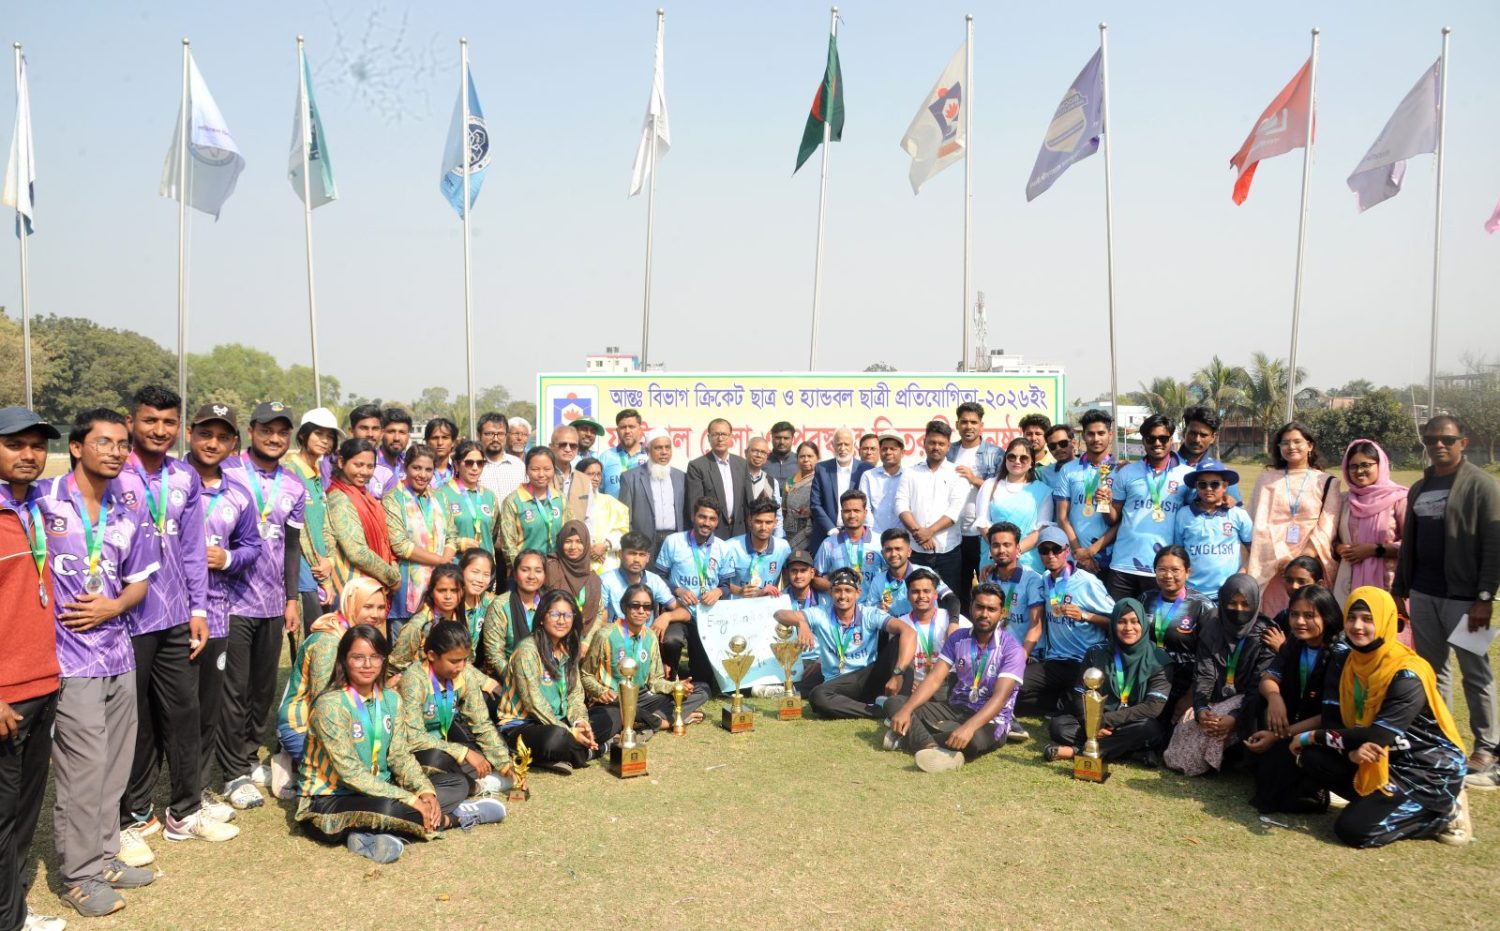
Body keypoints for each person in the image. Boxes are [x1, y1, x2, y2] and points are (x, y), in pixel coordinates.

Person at [38, 408, 160, 917]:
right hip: (68, 660)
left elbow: (140, 581)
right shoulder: (42, 501)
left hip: (117, 653)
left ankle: (106, 857)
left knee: (113, 766)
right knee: (82, 772)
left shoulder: (127, 507)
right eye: (104, 442)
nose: (116, 451)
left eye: (121, 444)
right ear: (76, 446)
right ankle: (79, 876)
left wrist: (114, 606)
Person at [118, 387, 231, 851]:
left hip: (175, 616)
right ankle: (131, 816)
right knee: (135, 721)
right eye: (150, 421)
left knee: (185, 712)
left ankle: (184, 812)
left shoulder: (183, 476)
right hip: (126, 619)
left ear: (178, 427)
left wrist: (198, 609)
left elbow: (192, 550)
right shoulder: (114, 470)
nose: (159, 430)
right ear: (131, 422)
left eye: (168, 422)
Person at [296, 625, 504, 865]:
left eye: (375, 656)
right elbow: (350, 774)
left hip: (380, 788)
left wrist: (424, 792)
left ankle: (365, 836)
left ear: (384, 659)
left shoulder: (391, 699)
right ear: (344, 659)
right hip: (328, 800)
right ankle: (454, 819)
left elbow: (400, 756)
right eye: (358, 657)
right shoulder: (330, 705)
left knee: (456, 784)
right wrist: (410, 799)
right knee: (389, 808)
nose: (367, 664)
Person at [1293, 587, 1470, 848]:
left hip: (1421, 768)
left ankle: (1444, 811)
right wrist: (1349, 754)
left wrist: (1310, 736)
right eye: (1352, 618)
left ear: (1386, 621)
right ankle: (1379, 804)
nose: (1357, 626)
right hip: (1376, 756)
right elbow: (1332, 718)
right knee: (1312, 758)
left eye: (1368, 619)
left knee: (1353, 830)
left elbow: (1378, 735)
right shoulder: (1344, 659)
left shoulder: (1407, 674)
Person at [1391, 415, 1500, 785]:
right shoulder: (1420, 486)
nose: (1438, 445)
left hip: (1465, 598)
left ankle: (1486, 747)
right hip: (1424, 594)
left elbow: (1493, 545)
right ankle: (1445, 740)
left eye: (1447, 439)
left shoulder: (1482, 485)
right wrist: (1401, 588)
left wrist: (1484, 597)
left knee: (1476, 671)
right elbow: (1409, 543)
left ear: (1462, 443)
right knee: (1433, 672)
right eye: (1431, 439)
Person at [217, 403, 307, 815]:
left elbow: (292, 547)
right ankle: (233, 769)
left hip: (272, 602)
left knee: (262, 688)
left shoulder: (294, 485)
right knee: (233, 688)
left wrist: (291, 598)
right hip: (230, 599)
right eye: (267, 430)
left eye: (282, 432)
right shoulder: (227, 472)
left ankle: (250, 754)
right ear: (251, 431)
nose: (274, 438)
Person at [0, 408, 66, 931]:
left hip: (44, 679)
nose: (29, 455)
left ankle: (13, 904)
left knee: (25, 809)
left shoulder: (38, 507)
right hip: (6, 693)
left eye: (37, 446)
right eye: (14, 444)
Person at [186, 406, 265, 806]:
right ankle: (143, 804)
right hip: (165, 614)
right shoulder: (169, 483)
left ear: (234, 443)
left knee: (207, 708)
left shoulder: (238, 494)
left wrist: (228, 559)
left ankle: (198, 791)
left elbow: (253, 545)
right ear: (190, 433)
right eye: (205, 433)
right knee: (161, 711)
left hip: (216, 614)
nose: (212, 443)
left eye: (222, 437)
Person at [884, 583, 1026, 772]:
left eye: (991, 609)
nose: (984, 614)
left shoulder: (1013, 649)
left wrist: (969, 728)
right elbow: (934, 679)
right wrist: (907, 710)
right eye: (979, 607)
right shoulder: (957, 638)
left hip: (992, 720)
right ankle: (932, 747)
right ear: (971, 607)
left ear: (1002, 613)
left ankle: (907, 739)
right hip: (955, 708)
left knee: (973, 740)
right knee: (895, 703)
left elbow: (1000, 699)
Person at [1243, 584, 1344, 813]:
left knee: (1275, 794)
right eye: (1294, 614)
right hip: (1293, 722)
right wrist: (1274, 698)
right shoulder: (1295, 643)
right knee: (1258, 700)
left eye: (1309, 616)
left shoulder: (1340, 653)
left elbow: (1329, 716)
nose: (1299, 622)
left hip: (1322, 729)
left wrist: (1278, 735)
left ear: (1327, 617)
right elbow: (1268, 678)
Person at [275, 578, 388, 782]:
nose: (376, 614)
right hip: (303, 725)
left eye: (381, 607)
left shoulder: (357, 634)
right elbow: (323, 704)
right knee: (352, 775)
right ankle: (289, 757)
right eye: (368, 606)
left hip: (345, 717)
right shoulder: (328, 641)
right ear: (351, 603)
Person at [1164, 574, 1275, 777]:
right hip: (1214, 698)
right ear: (1223, 602)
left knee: (1220, 726)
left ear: (1255, 603)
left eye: (1245, 604)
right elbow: (1204, 673)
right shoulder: (1213, 628)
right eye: (1232, 603)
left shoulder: (1265, 633)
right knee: (1184, 735)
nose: (1239, 609)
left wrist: (1235, 717)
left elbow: (1258, 685)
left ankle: (1237, 758)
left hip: (1249, 701)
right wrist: (1201, 709)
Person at [499, 590, 619, 773]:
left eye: (568, 615)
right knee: (554, 738)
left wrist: (580, 723)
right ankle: (594, 751)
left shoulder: (567, 648)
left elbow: (575, 695)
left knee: (614, 715)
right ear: (541, 617)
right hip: (524, 725)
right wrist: (570, 732)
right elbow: (534, 703)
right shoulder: (527, 651)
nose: (562, 620)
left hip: (561, 721)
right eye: (555, 614)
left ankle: (565, 753)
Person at [773, 568, 917, 719]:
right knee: (818, 696)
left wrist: (897, 674)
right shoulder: (820, 613)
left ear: (857, 593)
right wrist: (801, 622)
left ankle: (903, 705)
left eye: (848, 590)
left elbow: (909, 632)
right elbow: (779, 614)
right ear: (830, 592)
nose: (842, 596)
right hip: (838, 683)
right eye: (837, 590)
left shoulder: (869, 613)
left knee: (899, 642)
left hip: (868, 676)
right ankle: (876, 711)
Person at [1043, 598, 1171, 766]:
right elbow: (1080, 694)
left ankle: (1077, 752)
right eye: (1121, 622)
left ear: (1144, 624)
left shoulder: (1159, 659)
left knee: (1149, 729)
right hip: (1097, 720)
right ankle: (1131, 752)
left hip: (1131, 722)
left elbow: (1153, 707)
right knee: (1059, 726)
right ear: (1113, 624)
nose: (1128, 628)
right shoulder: (1096, 653)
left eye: (1135, 622)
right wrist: (1089, 723)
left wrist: (1104, 721)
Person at [399, 620, 515, 798]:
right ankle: (474, 787)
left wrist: (505, 763)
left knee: (486, 756)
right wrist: (462, 752)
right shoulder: (414, 679)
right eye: (454, 661)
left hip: (444, 744)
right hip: (416, 751)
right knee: (438, 759)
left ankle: (464, 782)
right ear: (432, 655)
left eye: (465, 660)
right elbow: (413, 737)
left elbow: (481, 723)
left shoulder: (464, 674)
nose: (461, 666)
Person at [1014, 527, 1114, 718]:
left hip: (1084, 661)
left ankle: (1064, 702)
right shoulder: (1045, 579)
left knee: (1082, 710)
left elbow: (1116, 621)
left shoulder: (1087, 582)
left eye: (1056, 549)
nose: (1050, 555)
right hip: (1055, 661)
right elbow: (1016, 573)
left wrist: (1084, 615)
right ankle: (1057, 702)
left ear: (1067, 551)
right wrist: (992, 568)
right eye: (1044, 550)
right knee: (1013, 687)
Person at [584, 582, 709, 733]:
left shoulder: (650, 636)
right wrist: (600, 691)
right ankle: (664, 720)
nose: (641, 611)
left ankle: (644, 720)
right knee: (614, 717)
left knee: (702, 690)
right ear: (624, 607)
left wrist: (675, 686)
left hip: (643, 696)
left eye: (647, 607)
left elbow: (655, 681)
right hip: (614, 699)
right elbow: (586, 674)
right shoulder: (605, 635)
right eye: (635, 606)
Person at [1247, 421, 1342, 619]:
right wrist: (1282, 558)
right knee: (1272, 617)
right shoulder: (1267, 480)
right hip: (1271, 564)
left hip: (1309, 565)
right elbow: (1258, 521)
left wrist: (1302, 560)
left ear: (1310, 445)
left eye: (1297, 442)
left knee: (1307, 615)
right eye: (1285, 443)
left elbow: (1327, 527)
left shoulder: (1326, 482)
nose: (1291, 447)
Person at [1107, 414, 1194, 600]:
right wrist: (1105, 503)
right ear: (1144, 441)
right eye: (1151, 438)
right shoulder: (1127, 472)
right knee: (1120, 617)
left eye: (1163, 438)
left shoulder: (1187, 476)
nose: (1157, 443)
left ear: (1171, 439)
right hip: (1123, 564)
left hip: (1163, 568)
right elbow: (1113, 518)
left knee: (1157, 619)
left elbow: (1197, 510)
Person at [654, 499, 731, 693]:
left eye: (712, 519)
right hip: (678, 611)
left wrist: (718, 591)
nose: (706, 522)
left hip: (707, 616)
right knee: (671, 641)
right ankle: (669, 679)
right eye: (702, 517)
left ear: (717, 522)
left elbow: (727, 585)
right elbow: (659, 577)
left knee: (703, 682)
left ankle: (697, 677)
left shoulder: (723, 548)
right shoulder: (673, 542)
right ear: (692, 517)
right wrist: (677, 590)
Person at [383, 444, 457, 643]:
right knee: (404, 647)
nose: (422, 475)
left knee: (438, 646)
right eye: (416, 468)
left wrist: (445, 562)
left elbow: (452, 536)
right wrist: (441, 561)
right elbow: (400, 545)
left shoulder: (440, 497)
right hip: (407, 587)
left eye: (428, 469)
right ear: (405, 467)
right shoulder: (392, 499)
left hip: (440, 586)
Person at [1140, 546, 1215, 723]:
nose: (1168, 575)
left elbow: (1209, 657)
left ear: (1188, 572)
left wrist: (1191, 695)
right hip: (1149, 679)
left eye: (1175, 570)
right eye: (1162, 569)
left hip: (1185, 684)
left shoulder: (1202, 606)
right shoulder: (1145, 599)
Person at [896, 421, 968, 595]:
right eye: (932, 442)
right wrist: (919, 533)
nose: (936, 447)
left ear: (948, 446)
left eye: (941, 444)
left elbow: (955, 511)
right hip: (916, 550)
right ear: (924, 442)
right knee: (916, 597)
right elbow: (901, 505)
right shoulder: (910, 472)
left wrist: (929, 532)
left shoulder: (957, 474)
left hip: (948, 551)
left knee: (950, 599)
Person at [1332, 439, 1407, 603]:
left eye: (1366, 465)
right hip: (1349, 580)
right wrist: (1339, 548)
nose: (1359, 471)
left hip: (1389, 584)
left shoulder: (1399, 499)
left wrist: (1374, 550)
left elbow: (1412, 544)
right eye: (1353, 466)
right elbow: (1332, 538)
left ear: (1380, 465)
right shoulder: (1345, 501)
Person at [326, 438, 400, 595]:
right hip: (354, 588)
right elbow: (357, 553)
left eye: (370, 466)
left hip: (371, 583)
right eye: (358, 465)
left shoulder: (365, 495)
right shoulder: (339, 498)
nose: (365, 472)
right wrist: (392, 578)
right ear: (341, 462)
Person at [290, 407, 340, 631]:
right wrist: (323, 575)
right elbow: (301, 531)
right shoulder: (291, 472)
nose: (325, 440)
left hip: (321, 574)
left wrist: (330, 561)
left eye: (330, 436)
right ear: (303, 434)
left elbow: (325, 525)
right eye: (319, 434)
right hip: (303, 576)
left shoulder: (317, 473)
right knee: (307, 641)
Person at [973, 437, 1054, 574]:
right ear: (1005, 459)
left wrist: (1013, 553)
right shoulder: (989, 485)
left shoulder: (1043, 491)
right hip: (993, 559)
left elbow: (1039, 532)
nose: (1017, 461)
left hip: (1028, 562)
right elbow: (982, 524)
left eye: (1023, 458)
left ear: (1031, 463)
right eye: (1012, 457)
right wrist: (1000, 552)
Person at [949, 405, 1003, 607]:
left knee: (986, 587)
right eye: (964, 422)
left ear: (981, 426)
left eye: (973, 422)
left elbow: (1001, 491)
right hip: (953, 532)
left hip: (982, 533)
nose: (968, 426)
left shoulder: (995, 454)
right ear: (957, 425)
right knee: (958, 588)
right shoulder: (949, 451)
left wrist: (974, 479)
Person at [1055, 409, 1118, 577]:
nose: (1096, 438)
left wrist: (1091, 551)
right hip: (1076, 556)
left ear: (1110, 435)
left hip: (1111, 556)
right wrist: (1080, 553)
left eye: (1101, 433)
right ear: (1083, 436)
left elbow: (1119, 521)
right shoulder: (1068, 470)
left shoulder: (1121, 471)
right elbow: (1062, 518)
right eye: (1090, 434)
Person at [1174, 467, 1253, 597]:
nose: (1209, 489)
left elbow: (1254, 550)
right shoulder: (1183, 514)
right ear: (1196, 486)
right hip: (1191, 591)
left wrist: (1242, 573)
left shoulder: (1238, 514)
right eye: (1202, 484)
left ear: (1225, 486)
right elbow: (1178, 552)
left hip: (1228, 591)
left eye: (1215, 484)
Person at [479, 550, 548, 687]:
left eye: (538, 571)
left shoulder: (550, 604)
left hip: (547, 677)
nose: (532, 576)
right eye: (525, 570)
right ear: (515, 575)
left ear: (545, 575)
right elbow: (494, 655)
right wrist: (517, 680)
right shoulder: (501, 605)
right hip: (511, 677)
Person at [861, 529, 962, 621]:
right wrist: (878, 610)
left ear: (909, 552)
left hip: (929, 630)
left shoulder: (926, 572)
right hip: (894, 632)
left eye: (898, 549)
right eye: (888, 550)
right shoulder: (878, 580)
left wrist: (953, 622)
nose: (893, 554)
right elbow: (869, 613)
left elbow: (950, 598)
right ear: (883, 554)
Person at [617, 429, 686, 557]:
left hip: (675, 542)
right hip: (643, 543)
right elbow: (624, 517)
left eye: (667, 447)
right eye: (658, 448)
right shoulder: (630, 478)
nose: (664, 452)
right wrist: (632, 543)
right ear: (647, 450)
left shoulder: (681, 477)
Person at [890, 568, 959, 691]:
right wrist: (907, 682)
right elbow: (896, 662)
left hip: (947, 686)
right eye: (915, 592)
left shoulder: (952, 620)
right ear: (908, 596)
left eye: (926, 591)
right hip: (914, 688)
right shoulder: (900, 625)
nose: (921, 596)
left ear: (935, 595)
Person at [388, 565, 465, 675]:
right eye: (441, 590)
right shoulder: (417, 626)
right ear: (432, 592)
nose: (448, 596)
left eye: (454, 590)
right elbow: (396, 665)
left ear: (462, 591)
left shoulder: (460, 618)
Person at [685, 418, 753, 540]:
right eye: (715, 434)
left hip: (740, 533)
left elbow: (748, 502)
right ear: (708, 437)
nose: (720, 438)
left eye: (724, 434)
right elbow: (695, 506)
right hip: (712, 533)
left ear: (731, 437)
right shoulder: (697, 466)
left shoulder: (742, 464)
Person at [544, 521, 606, 651]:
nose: (573, 547)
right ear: (561, 542)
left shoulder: (593, 579)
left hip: (582, 643)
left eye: (579, 542)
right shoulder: (550, 568)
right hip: (550, 642)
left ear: (586, 544)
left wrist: (586, 643)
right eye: (568, 541)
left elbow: (599, 613)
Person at [499, 447, 564, 563]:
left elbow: (568, 534)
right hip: (526, 568)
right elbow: (508, 544)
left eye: (547, 469)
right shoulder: (513, 501)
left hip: (555, 567)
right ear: (527, 470)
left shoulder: (560, 499)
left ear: (554, 470)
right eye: (535, 469)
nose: (541, 474)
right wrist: (521, 567)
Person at [810, 428, 873, 543]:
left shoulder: (865, 469)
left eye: (846, 444)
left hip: (858, 535)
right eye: (839, 444)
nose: (842, 448)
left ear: (854, 445)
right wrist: (831, 529)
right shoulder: (822, 469)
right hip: (826, 534)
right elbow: (815, 504)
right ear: (833, 445)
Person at [440, 439, 501, 558]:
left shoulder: (489, 496)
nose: (475, 468)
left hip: (485, 565)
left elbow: (492, 534)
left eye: (480, 463)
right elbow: (435, 536)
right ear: (456, 465)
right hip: (455, 565)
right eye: (469, 463)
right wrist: (459, 544)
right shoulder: (441, 494)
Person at [813, 490, 883, 590]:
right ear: (841, 513)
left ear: (865, 513)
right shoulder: (828, 543)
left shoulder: (879, 542)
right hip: (840, 600)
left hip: (872, 600)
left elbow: (892, 575)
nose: (852, 515)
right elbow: (815, 579)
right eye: (847, 511)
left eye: (856, 510)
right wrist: (837, 588)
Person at [724, 499, 792, 597]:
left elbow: (788, 577)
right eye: (758, 522)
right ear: (749, 521)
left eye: (768, 522)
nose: (763, 527)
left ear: (775, 523)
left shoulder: (783, 547)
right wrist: (739, 591)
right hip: (737, 604)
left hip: (768, 603)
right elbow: (717, 581)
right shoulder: (730, 547)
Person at [576, 457, 629, 573]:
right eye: (590, 474)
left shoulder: (611, 502)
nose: (595, 478)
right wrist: (589, 549)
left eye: (598, 474)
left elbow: (623, 531)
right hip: (579, 559)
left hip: (607, 561)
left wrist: (605, 546)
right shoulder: (570, 502)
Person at [1179, 407, 1241, 503]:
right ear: (1184, 432)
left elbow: (1236, 507)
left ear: (1213, 438)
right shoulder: (1166, 466)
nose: (1197, 440)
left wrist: (1230, 503)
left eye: (1203, 435)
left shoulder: (1222, 474)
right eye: (1193, 433)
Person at [859, 429, 907, 536]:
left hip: (903, 537)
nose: (888, 452)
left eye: (893, 449)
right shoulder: (868, 476)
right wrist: (875, 535)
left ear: (902, 452)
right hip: (875, 536)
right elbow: (865, 508)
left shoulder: (909, 476)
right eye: (884, 449)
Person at [345, 404, 394, 498]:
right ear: (351, 431)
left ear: (381, 433)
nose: (370, 434)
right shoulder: (335, 464)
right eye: (364, 428)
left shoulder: (386, 474)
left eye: (375, 429)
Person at [477, 412, 525, 503]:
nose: (495, 439)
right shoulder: (472, 465)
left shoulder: (518, 465)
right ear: (479, 436)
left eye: (500, 434)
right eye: (489, 434)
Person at [599, 409, 647, 499]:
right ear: (617, 431)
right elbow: (597, 493)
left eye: (631, 427)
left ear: (640, 430)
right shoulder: (605, 457)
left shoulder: (650, 457)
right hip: (612, 508)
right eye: (623, 427)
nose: (627, 431)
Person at [548, 424, 592, 523]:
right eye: (562, 444)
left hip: (577, 532)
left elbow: (589, 518)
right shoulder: (542, 477)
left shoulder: (585, 480)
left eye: (573, 446)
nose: (568, 449)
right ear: (551, 447)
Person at [781, 441, 819, 553]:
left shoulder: (820, 479)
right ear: (797, 459)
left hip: (811, 532)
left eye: (810, 456)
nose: (806, 460)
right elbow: (784, 510)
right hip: (790, 532)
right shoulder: (790, 481)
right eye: (802, 456)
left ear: (817, 458)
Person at [743, 437, 783, 537]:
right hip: (739, 536)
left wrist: (778, 538)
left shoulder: (771, 482)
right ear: (746, 453)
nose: (759, 455)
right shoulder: (735, 477)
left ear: (766, 457)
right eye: (755, 451)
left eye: (763, 452)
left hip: (762, 537)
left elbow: (778, 514)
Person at [375, 408, 412, 487]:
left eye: (402, 432)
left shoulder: (410, 464)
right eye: (391, 432)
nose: (396, 438)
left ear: (408, 437)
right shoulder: (370, 464)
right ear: (381, 434)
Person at [1038, 423, 1075, 497]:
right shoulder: (1043, 474)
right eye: (1052, 446)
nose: (1058, 448)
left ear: (1073, 443)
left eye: (1063, 443)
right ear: (1049, 448)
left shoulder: (1087, 468)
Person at [763, 421, 799, 491]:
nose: (782, 442)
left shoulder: (799, 462)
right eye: (778, 438)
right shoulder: (763, 461)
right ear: (772, 438)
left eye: (786, 438)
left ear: (792, 439)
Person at [423, 417, 458, 487]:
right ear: (427, 442)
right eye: (435, 438)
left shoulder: (460, 469)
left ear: (453, 442)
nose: (440, 443)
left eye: (445, 438)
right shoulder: (419, 472)